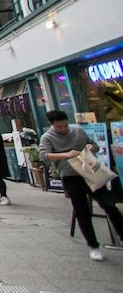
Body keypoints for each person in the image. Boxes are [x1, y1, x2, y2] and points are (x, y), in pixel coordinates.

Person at [40, 110, 123, 261]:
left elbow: (95, 145)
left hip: (91, 173)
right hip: (70, 176)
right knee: (82, 211)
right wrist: (66, 155)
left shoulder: (77, 131)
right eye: (59, 127)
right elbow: (44, 156)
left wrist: (91, 147)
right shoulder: (47, 137)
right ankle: (93, 245)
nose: (63, 129)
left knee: (109, 205)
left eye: (65, 125)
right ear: (51, 125)